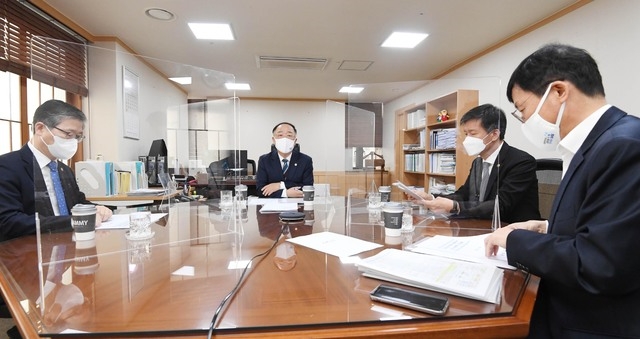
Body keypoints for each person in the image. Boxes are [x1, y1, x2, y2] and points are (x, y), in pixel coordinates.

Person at [484, 44, 640, 338]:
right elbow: (606, 227)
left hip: (592, 322)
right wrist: (546, 227)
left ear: (558, 92)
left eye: (523, 109)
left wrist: (515, 239)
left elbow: (601, 265)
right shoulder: (596, 143)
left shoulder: (624, 146)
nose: (525, 120)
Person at [0, 99, 112, 242]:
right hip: (27, 251)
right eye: (68, 134)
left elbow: (78, 203)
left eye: (78, 137)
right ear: (40, 128)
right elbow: (7, 221)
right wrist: (72, 221)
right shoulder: (7, 166)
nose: (73, 141)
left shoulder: (64, 169)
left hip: (68, 248)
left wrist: (97, 209)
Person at [411, 104, 540, 223]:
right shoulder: (478, 162)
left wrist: (456, 207)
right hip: (481, 225)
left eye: (473, 133)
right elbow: (464, 194)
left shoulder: (521, 162)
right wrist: (432, 198)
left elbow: (501, 205)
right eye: (466, 134)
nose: (467, 139)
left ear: (494, 134)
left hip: (512, 229)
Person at [256, 122, 313, 198]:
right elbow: (260, 190)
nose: (285, 139)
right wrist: (285, 193)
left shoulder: (305, 160)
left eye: (289, 135)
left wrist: (280, 185)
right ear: (274, 140)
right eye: (280, 135)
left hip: (297, 205)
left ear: (295, 141)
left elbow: (307, 188)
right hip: (272, 207)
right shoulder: (264, 160)